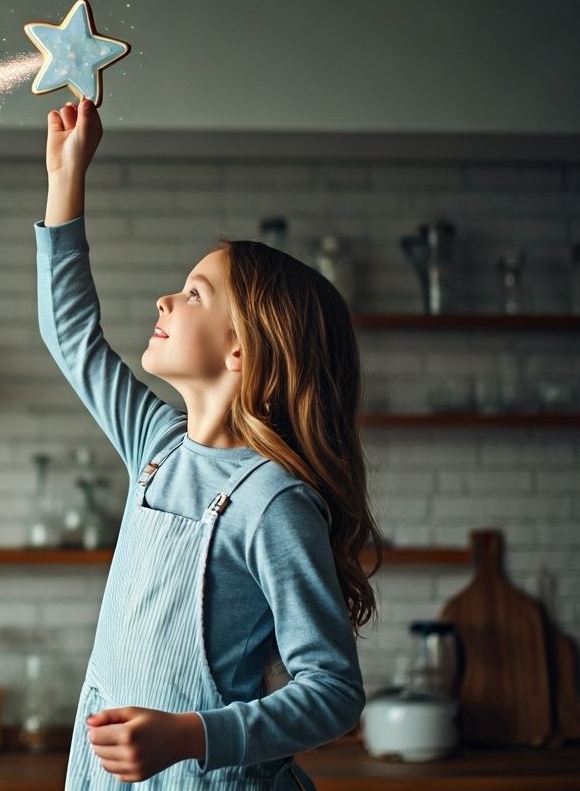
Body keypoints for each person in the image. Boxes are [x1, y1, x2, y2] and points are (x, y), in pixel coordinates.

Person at [36, 98, 381, 790]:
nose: (165, 300)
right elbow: (72, 339)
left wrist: (192, 735)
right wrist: (66, 178)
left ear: (242, 349)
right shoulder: (156, 445)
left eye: (195, 293)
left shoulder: (273, 502)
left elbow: (334, 692)